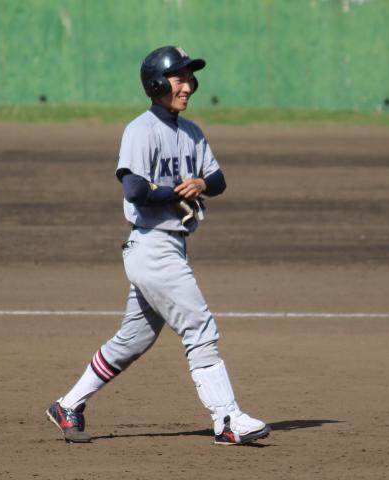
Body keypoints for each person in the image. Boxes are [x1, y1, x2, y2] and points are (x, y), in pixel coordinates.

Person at [45, 46, 270, 446]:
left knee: (132, 340)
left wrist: (201, 184)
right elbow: (134, 189)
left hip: (170, 246)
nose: (188, 86)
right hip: (152, 246)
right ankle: (227, 419)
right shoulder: (141, 130)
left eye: (190, 78)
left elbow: (218, 180)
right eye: (180, 78)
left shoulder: (192, 132)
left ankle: (68, 405)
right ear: (156, 83)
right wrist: (174, 192)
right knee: (199, 326)